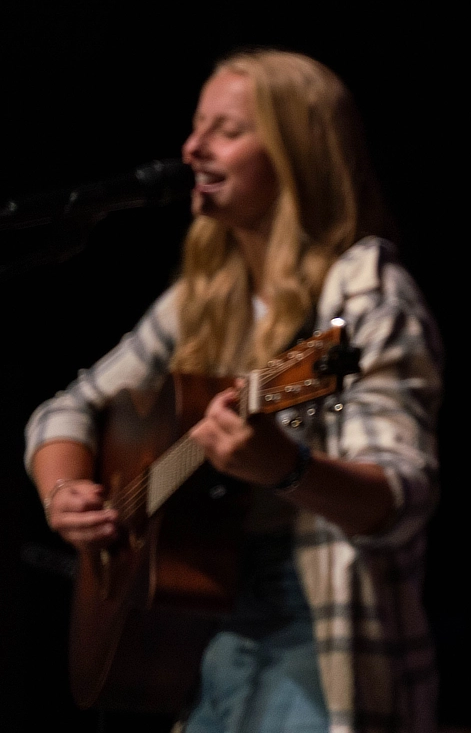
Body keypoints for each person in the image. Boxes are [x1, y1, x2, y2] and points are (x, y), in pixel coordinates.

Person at [26, 49, 441, 733]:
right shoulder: (203, 295)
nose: (191, 147)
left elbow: (401, 498)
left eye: (226, 130)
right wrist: (62, 493)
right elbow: (64, 410)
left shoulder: (366, 292)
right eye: (196, 127)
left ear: (296, 153)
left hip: (315, 616)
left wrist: (289, 468)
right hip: (203, 631)